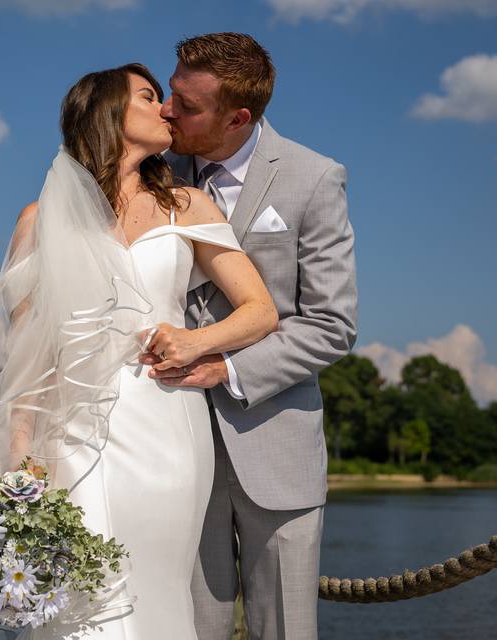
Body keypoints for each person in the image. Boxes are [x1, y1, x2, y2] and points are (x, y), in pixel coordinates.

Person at [0, 63, 279, 639]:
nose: (166, 109)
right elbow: (27, 355)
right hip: (69, 429)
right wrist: (18, 461)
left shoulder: (188, 206)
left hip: (164, 424)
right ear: (109, 114)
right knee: (78, 597)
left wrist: (196, 341)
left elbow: (260, 311)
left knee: (155, 587)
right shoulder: (39, 220)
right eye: (150, 97)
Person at [146, 33, 358, 640]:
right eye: (169, 94)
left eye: (186, 106)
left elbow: (331, 324)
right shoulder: (151, 171)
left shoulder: (314, 179)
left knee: (286, 631)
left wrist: (227, 370)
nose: (167, 112)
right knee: (186, 629)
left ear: (238, 117)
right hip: (171, 447)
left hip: (276, 446)